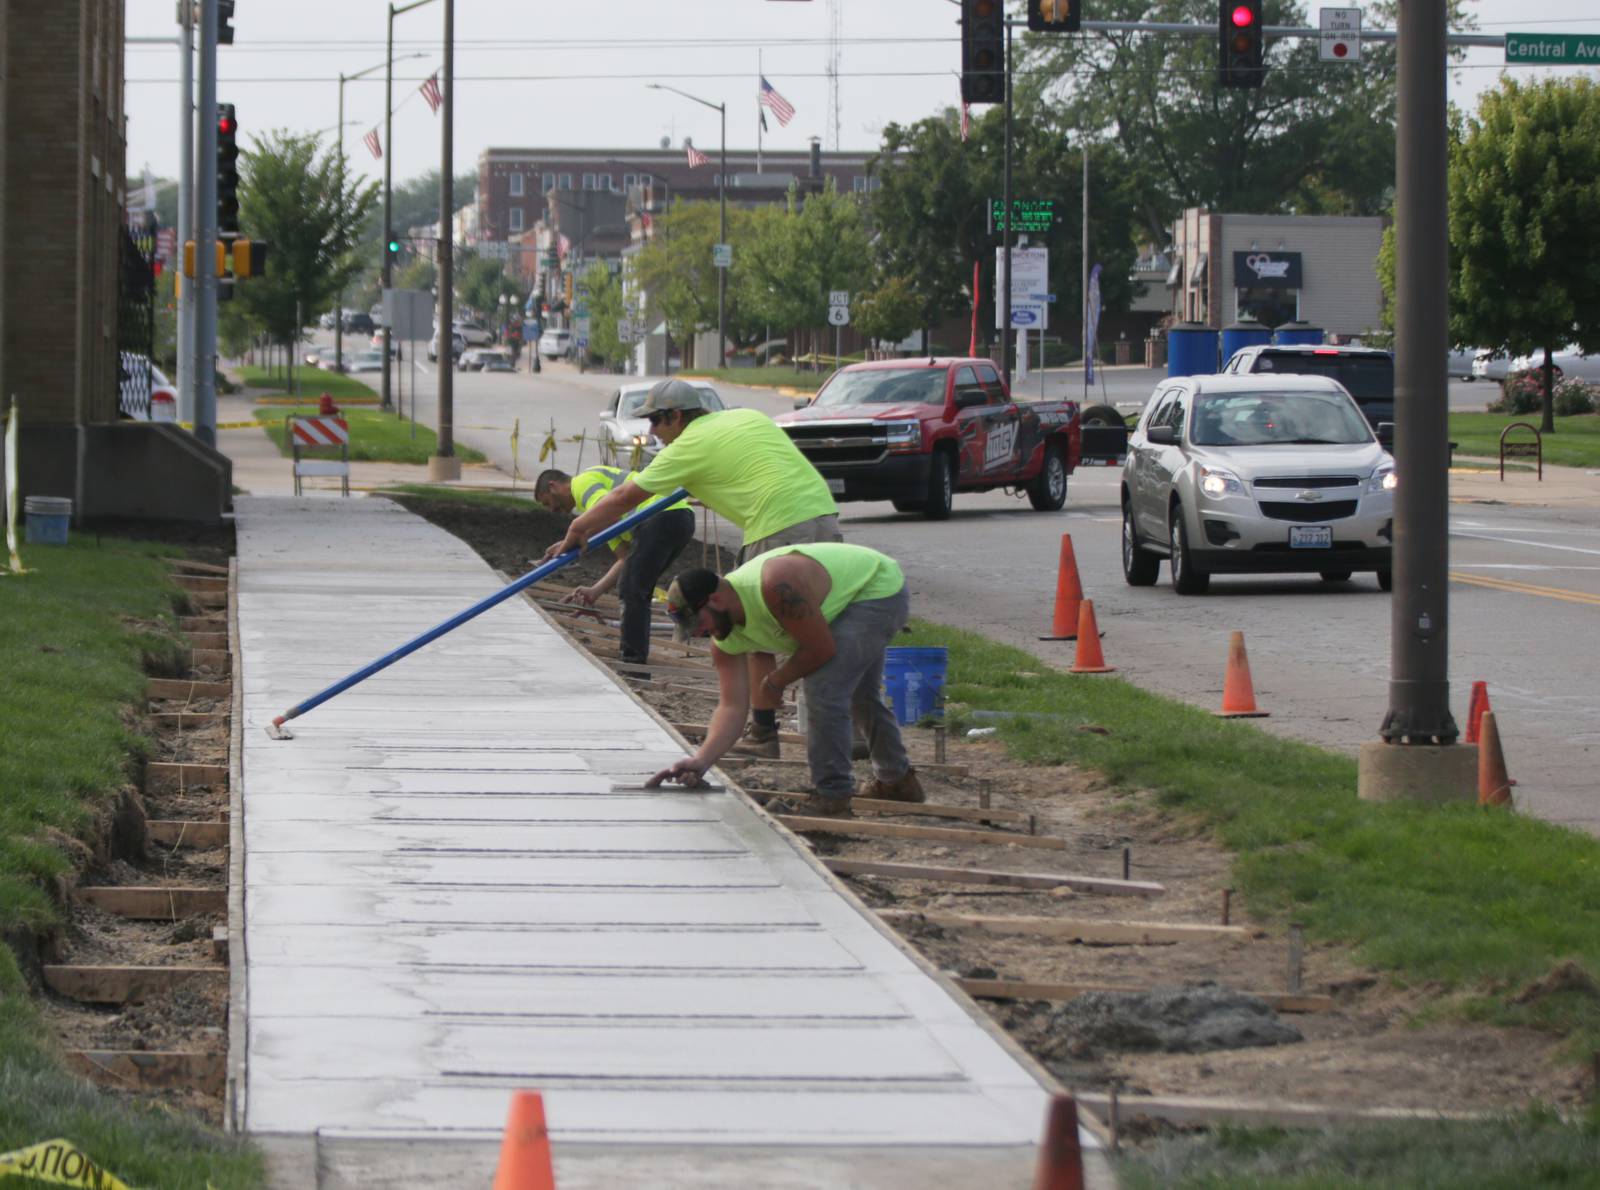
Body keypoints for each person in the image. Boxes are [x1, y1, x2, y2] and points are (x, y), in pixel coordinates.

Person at [544, 378, 842, 758]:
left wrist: (577, 529)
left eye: (656, 420)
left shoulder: (687, 446)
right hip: (822, 513)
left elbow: (624, 496)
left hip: (777, 524)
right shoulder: (745, 417)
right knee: (825, 627)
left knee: (751, 630)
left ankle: (764, 733)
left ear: (677, 416)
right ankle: (847, 729)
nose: (652, 430)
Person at [645, 542, 925, 816]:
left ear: (715, 600)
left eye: (698, 623)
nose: (697, 634)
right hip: (833, 602)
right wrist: (701, 760)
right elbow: (731, 707)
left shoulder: (774, 586)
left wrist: (776, 681)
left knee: (823, 689)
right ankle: (897, 782)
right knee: (859, 695)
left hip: (872, 588)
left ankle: (832, 797)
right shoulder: (724, 639)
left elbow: (820, 649)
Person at [534, 465, 693, 666]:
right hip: (677, 518)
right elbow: (625, 559)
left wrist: (575, 536)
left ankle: (632, 663)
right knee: (634, 586)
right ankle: (633, 660)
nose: (552, 510)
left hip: (662, 513)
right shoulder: (596, 517)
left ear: (553, 486)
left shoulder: (581, 483)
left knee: (633, 589)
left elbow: (611, 512)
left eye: (548, 502)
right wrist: (595, 591)